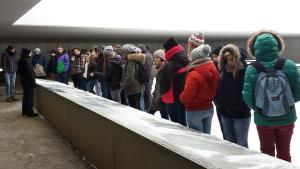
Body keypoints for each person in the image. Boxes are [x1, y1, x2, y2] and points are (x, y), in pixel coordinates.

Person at [243, 30, 300, 162]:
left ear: (255, 49)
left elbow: (247, 96)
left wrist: (260, 107)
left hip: (264, 120)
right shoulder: (289, 65)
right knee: (284, 152)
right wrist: (288, 103)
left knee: (266, 153)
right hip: (287, 118)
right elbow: (298, 91)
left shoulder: (252, 69)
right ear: (277, 46)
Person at [215, 44, 251, 147]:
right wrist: (219, 104)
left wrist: (245, 105)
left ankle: (243, 162)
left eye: (232, 59)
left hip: (241, 115)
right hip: (226, 114)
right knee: (230, 143)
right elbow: (220, 90)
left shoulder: (246, 72)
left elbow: (249, 92)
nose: (229, 62)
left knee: (242, 144)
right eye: (227, 59)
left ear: (238, 58)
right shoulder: (224, 72)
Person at [179, 44, 219, 134]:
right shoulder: (214, 69)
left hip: (194, 110)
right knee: (207, 136)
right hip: (209, 108)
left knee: (198, 140)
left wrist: (181, 97)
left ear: (196, 59)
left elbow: (187, 96)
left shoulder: (193, 74)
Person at [160, 37, 190, 126]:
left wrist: (162, 92)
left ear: (169, 49)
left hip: (172, 98)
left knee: (175, 124)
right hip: (183, 95)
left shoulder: (170, 64)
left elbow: (164, 83)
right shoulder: (185, 59)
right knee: (183, 121)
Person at [120, 44, 145, 110]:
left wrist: (123, 85)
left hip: (133, 88)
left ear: (127, 52)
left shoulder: (130, 61)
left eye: (123, 52)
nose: (122, 54)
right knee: (137, 106)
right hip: (139, 85)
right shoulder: (137, 59)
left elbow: (130, 77)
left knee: (133, 108)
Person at [17, 48, 38, 117]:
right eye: (30, 52)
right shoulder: (27, 60)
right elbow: (30, 73)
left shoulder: (20, 60)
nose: (31, 54)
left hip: (23, 81)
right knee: (30, 97)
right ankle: (30, 112)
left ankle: (25, 111)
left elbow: (19, 71)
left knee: (25, 96)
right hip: (29, 82)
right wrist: (33, 82)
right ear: (27, 53)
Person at [148, 49, 168, 120]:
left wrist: (160, 97)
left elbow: (164, 86)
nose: (155, 60)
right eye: (154, 58)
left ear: (162, 59)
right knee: (164, 115)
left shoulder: (165, 69)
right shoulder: (158, 67)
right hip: (157, 96)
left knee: (150, 114)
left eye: (157, 58)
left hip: (161, 97)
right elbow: (152, 75)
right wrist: (155, 68)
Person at [137, 44, 154, 112]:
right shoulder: (148, 54)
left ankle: (148, 111)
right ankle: (147, 109)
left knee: (147, 96)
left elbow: (146, 69)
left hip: (147, 79)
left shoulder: (146, 56)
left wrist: (144, 80)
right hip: (149, 78)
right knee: (147, 95)